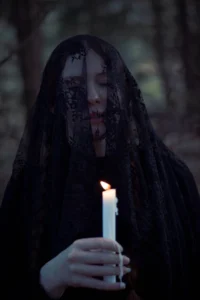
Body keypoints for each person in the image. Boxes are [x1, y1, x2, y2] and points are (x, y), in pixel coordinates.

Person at [0, 34, 200, 300]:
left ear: (124, 91)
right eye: (73, 85)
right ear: (52, 103)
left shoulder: (171, 178)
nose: (92, 96)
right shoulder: (30, 188)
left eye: (105, 83)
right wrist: (49, 278)